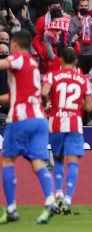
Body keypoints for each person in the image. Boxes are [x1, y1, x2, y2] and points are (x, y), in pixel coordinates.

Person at [0, 30, 59, 224]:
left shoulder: (19, 58)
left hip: (21, 118)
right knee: (38, 162)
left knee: (7, 160)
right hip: (40, 119)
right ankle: (50, 200)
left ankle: (10, 209)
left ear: (15, 44)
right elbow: (19, 94)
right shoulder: (33, 64)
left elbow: (5, 63)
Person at [41, 47, 92, 215]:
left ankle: (59, 195)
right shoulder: (83, 79)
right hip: (74, 124)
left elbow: (44, 93)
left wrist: (46, 104)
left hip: (55, 122)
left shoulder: (51, 75)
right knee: (73, 162)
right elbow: (89, 107)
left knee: (58, 160)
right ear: (76, 61)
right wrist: (79, 104)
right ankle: (68, 200)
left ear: (61, 60)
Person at [69, 0, 92, 74]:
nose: (84, 8)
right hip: (79, 53)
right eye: (82, 6)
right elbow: (70, 35)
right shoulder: (73, 20)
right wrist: (79, 26)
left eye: (86, 6)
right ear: (78, 7)